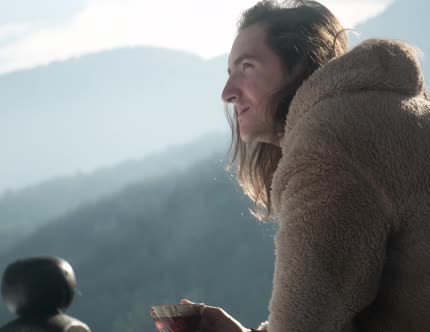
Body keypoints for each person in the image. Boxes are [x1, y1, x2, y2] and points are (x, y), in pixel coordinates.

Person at [183, 0, 430, 331]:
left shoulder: (328, 147)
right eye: (230, 73)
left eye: (247, 67)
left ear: (300, 64)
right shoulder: (392, 110)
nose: (227, 93)